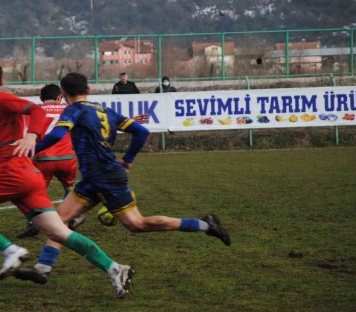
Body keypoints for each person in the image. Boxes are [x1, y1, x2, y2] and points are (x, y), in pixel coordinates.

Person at [0, 61, 135, 299]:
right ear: (2, 80)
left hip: (12, 173)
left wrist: (32, 136)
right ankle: (114, 268)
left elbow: (37, 111)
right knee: (60, 233)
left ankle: (11, 251)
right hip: (28, 176)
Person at [13, 72, 231, 285]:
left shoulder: (74, 111)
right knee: (59, 220)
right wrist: (128, 160)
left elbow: (58, 135)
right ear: (88, 90)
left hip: (107, 178)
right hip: (92, 178)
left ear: (63, 92)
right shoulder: (107, 111)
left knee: (137, 224)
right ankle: (43, 268)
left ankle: (205, 224)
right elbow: (141, 132)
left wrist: (30, 148)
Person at [15, 84, 83, 239]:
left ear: (40, 98)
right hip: (67, 158)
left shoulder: (34, 111)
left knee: (34, 192)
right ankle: (74, 216)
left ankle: (34, 223)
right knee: (69, 187)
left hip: (43, 158)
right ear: (59, 97)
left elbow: (23, 133)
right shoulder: (68, 109)